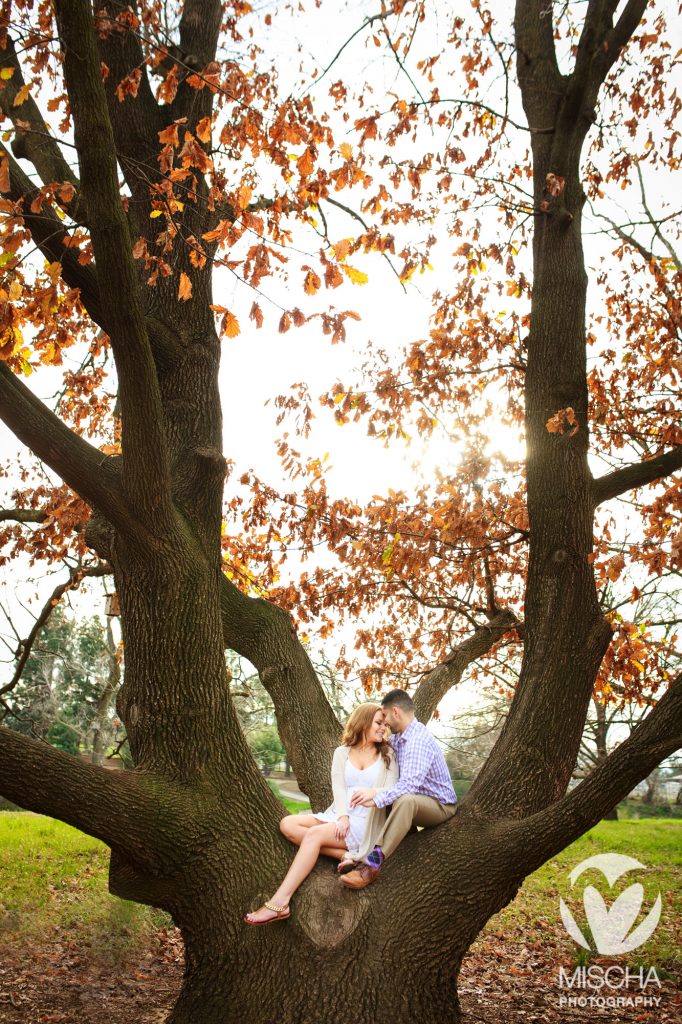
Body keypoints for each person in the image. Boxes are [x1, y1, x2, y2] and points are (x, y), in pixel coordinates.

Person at [244, 702, 398, 925]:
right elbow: (339, 787)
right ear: (363, 723)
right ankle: (347, 855)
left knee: (314, 835)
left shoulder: (388, 755)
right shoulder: (342, 753)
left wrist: (373, 792)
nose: (384, 728)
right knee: (287, 824)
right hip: (340, 815)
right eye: (378, 723)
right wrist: (343, 816)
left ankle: (280, 902)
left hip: (367, 820)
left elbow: (393, 790)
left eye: (386, 724)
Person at [340, 688, 457, 890]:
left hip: (440, 806)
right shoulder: (398, 740)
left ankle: (371, 867)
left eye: (385, 717)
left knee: (404, 799)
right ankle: (359, 854)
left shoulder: (418, 741)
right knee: (392, 798)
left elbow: (408, 787)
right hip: (415, 803)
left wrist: (376, 796)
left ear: (395, 712)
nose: (384, 723)